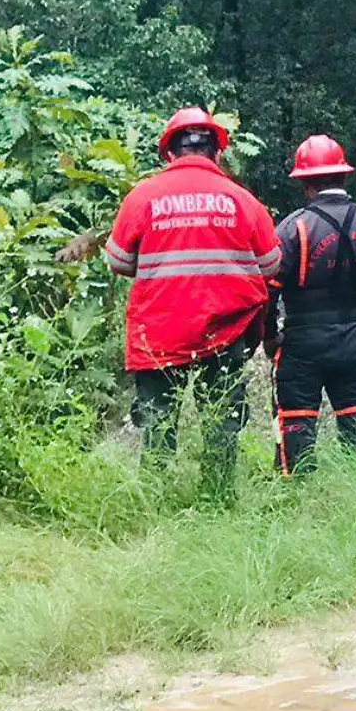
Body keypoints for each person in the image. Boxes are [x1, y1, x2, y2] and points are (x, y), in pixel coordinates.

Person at [94, 107, 281, 499]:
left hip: (158, 336)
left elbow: (117, 261)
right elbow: (272, 263)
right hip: (225, 334)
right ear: (217, 153)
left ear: (169, 153)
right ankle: (216, 502)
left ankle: (155, 504)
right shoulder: (241, 200)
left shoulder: (142, 197)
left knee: (158, 427)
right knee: (222, 426)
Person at [268, 135, 356, 475]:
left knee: (296, 426)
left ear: (305, 182)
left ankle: (297, 496)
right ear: (343, 176)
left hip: (302, 342)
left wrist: (270, 337)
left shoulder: (292, 229)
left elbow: (268, 293)